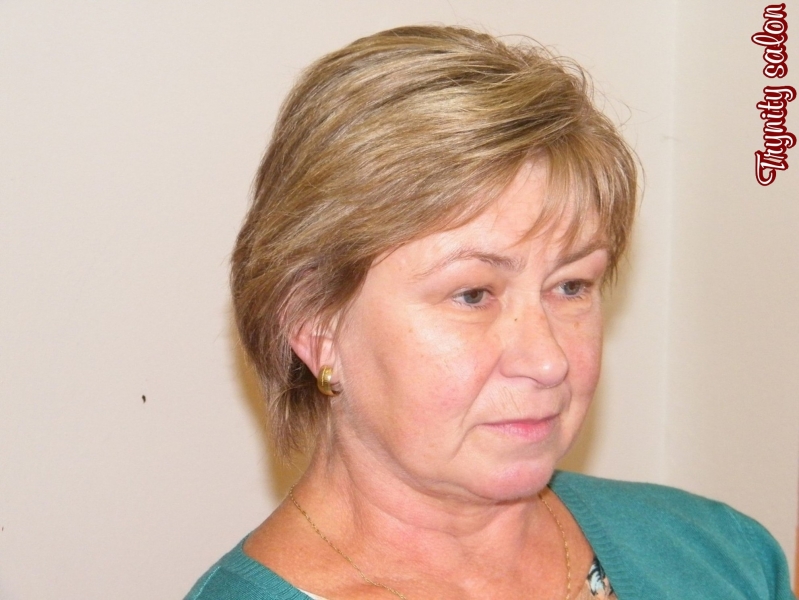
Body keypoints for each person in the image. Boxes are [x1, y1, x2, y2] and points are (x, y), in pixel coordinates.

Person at [186, 25, 796, 600]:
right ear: (314, 324)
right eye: (473, 294)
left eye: (571, 286)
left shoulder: (723, 557)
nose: (549, 361)